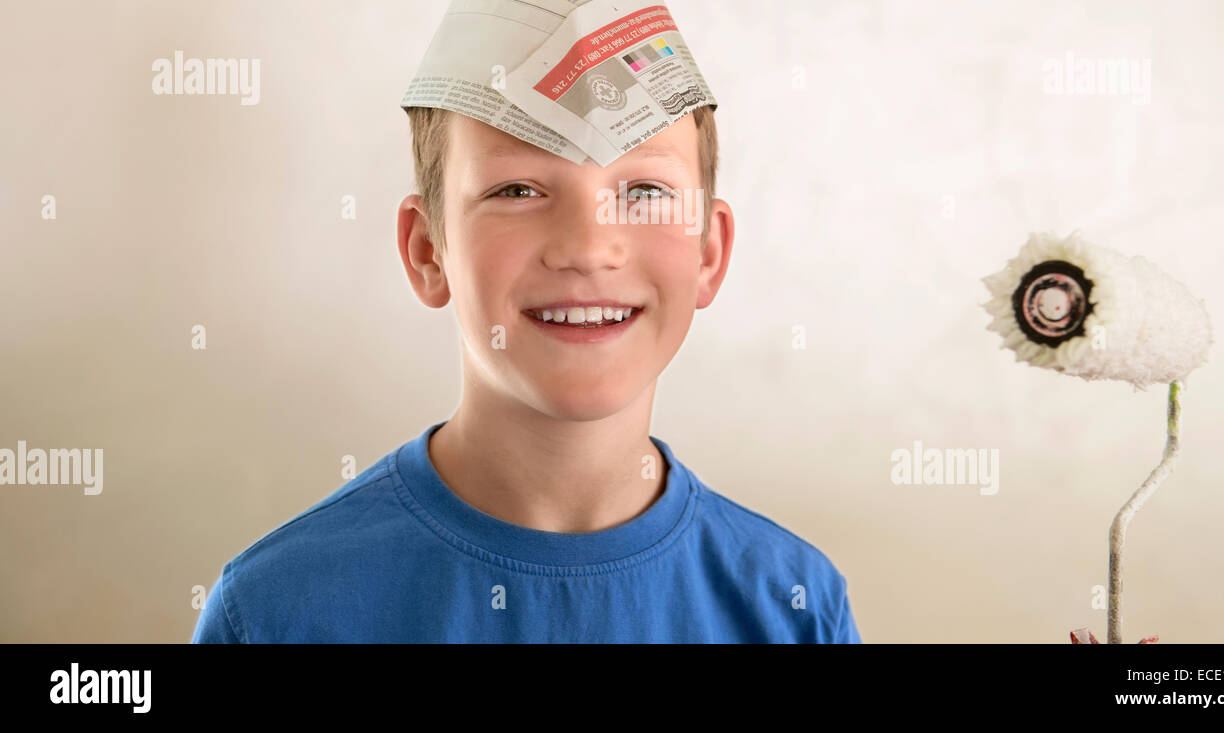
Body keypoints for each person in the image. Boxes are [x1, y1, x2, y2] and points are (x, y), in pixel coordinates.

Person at [191, 103, 861, 642]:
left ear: (709, 252)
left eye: (645, 190)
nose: (588, 247)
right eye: (518, 188)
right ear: (428, 249)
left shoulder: (794, 608)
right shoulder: (276, 612)